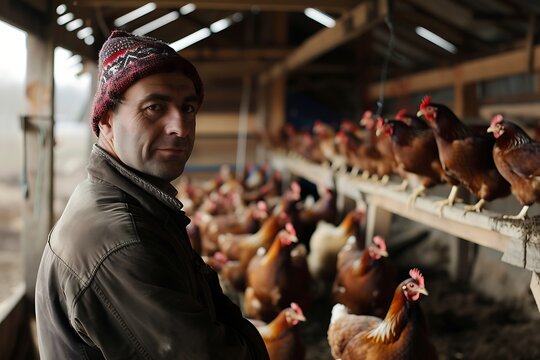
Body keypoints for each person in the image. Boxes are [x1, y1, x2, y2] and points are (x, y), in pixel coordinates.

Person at [35, 30, 269, 360]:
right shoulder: (119, 243)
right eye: (154, 107)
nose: (181, 127)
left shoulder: (138, 206)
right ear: (106, 122)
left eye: (188, 108)